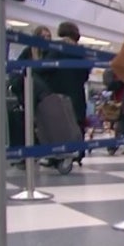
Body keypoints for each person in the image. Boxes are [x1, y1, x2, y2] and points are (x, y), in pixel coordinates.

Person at [40, 21, 92, 164]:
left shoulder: (56, 48)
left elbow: (44, 68)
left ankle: (57, 156)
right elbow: (86, 74)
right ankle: (79, 153)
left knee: (59, 124)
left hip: (59, 92)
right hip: (77, 92)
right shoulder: (81, 52)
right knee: (78, 122)